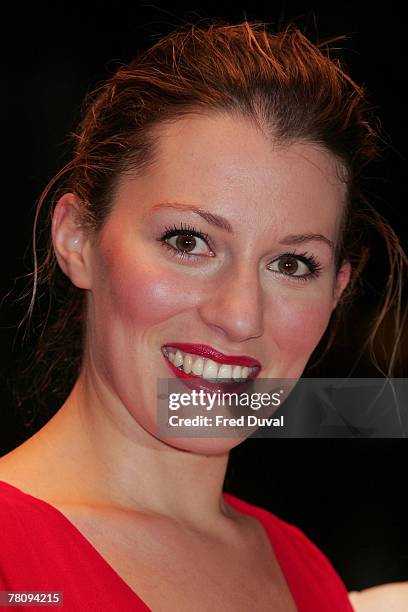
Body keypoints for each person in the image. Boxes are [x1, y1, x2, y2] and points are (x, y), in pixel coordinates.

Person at [0, 19, 406, 611]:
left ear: (338, 289)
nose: (240, 316)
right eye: (189, 242)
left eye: (292, 264)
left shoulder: (304, 573)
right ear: (77, 238)